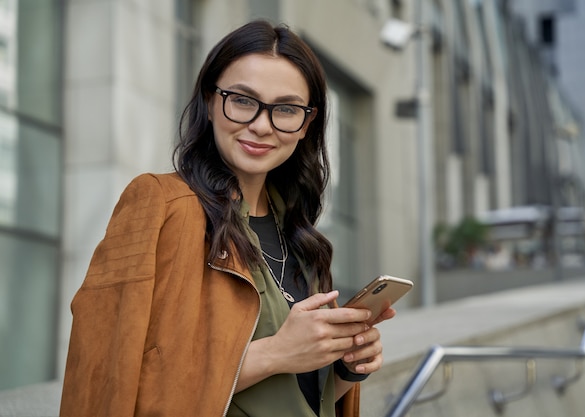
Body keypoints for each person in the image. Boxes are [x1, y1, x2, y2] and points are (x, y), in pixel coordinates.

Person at [59, 20, 395, 417]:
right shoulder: (160, 203)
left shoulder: (302, 240)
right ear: (209, 100)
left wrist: (343, 365)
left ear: (306, 124)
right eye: (242, 100)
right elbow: (107, 378)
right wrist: (274, 353)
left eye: (285, 109)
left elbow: (295, 400)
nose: (260, 125)